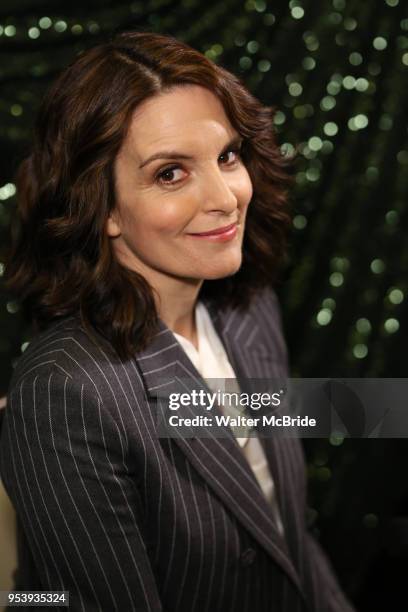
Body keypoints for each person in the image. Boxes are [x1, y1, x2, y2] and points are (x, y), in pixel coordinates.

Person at [0, 31, 355, 611]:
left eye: (227, 156)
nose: (225, 197)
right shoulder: (65, 392)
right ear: (103, 206)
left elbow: (285, 540)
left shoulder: (249, 307)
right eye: (171, 173)